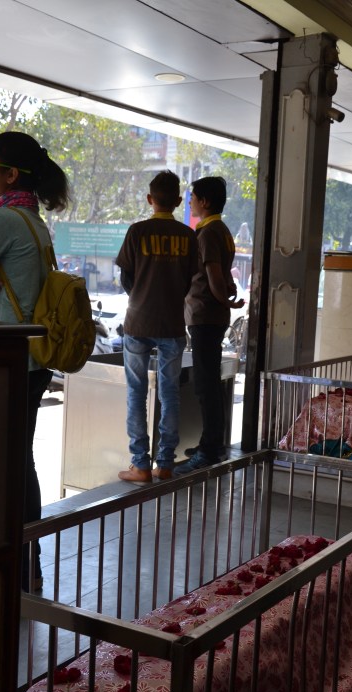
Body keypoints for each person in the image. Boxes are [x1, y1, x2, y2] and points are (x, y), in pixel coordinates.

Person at [0, 131, 70, 592]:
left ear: (9, 174)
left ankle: (17, 564)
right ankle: (28, 565)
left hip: (10, 359)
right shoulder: (33, 219)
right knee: (20, 459)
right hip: (33, 358)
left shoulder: (5, 218)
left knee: (9, 462)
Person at [116, 170, 199, 485]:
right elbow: (190, 278)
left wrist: (139, 296)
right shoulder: (188, 236)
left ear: (150, 199)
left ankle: (140, 465)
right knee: (170, 393)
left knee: (136, 393)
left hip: (138, 323)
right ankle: (164, 464)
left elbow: (126, 276)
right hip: (172, 324)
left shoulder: (137, 231)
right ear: (178, 201)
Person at [174, 176, 244, 475]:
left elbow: (214, 273)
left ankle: (209, 449)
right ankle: (210, 443)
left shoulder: (208, 233)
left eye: (193, 197)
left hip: (205, 315)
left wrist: (224, 300)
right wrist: (226, 295)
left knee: (206, 385)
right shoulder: (222, 230)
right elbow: (223, 275)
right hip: (210, 316)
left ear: (204, 201)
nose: (190, 202)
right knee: (209, 382)